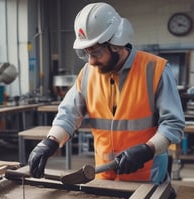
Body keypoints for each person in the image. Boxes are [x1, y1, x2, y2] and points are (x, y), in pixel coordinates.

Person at [28, 2, 185, 184]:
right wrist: (50, 142)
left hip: (147, 177)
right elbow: (69, 115)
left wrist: (147, 149)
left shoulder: (155, 70)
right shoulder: (87, 73)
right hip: (104, 177)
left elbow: (173, 124)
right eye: (87, 54)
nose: (91, 61)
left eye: (96, 53)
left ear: (116, 44)